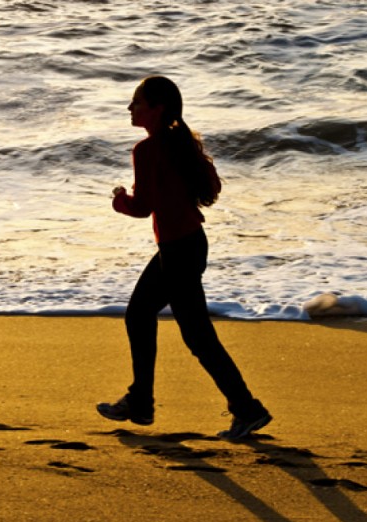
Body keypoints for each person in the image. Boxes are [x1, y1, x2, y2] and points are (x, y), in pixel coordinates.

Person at [96, 75, 272, 440]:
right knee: (146, 316)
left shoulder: (147, 150)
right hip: (189, 244)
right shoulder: (182, 144)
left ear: (156, 109)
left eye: (137, 103)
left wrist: (119, 200)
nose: (130, 108)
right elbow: (208, 189)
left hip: (178, 250)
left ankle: (246, 409)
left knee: (195, 336)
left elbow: (143, 208)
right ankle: (141, 402)